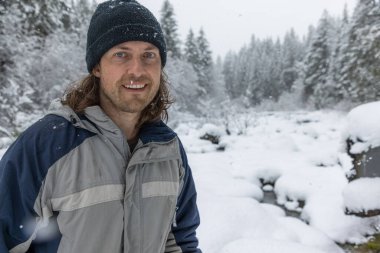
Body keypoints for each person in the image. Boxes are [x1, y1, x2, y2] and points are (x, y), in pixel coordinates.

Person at [0, 0, 202, 252]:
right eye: (121, 54)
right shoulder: (46, 145)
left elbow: (180, 240)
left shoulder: (168, 150)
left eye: (149, 55)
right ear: (97, 66)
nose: (137, 70)